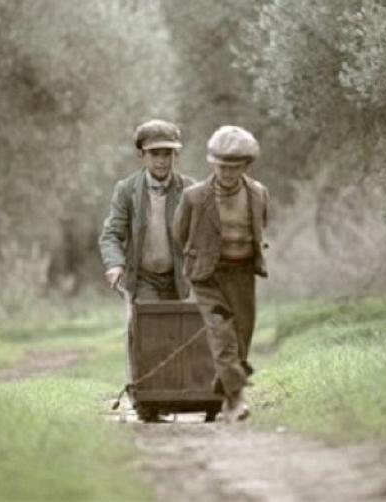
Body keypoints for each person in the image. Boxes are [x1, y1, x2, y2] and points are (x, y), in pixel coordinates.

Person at [98, 119, 195, 421]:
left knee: (175, 336)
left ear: (174, 156)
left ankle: (169, 397)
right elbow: (112, 234)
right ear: (142, 155)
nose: (162, 160)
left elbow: (204, 232)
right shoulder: (126, 190)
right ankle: (144, 401)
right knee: (143, 335)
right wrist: (114, 265)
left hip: (178, 277)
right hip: (142, 277)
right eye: (155, 154)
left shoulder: (189, 189)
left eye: (167, 153)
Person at [174, 125, 269, 422]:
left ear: (246, 165)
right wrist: (202, 255)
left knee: (241, 339)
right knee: (222, 334)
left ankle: (225, 393)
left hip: (242, 273)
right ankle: (238, 400)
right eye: (222, 166)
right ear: (212, 163)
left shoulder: (258, 193)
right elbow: (180, 234)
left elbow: (260, 227)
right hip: (207, 276)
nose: (227, 172)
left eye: (235, 167)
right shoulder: (194, 197)